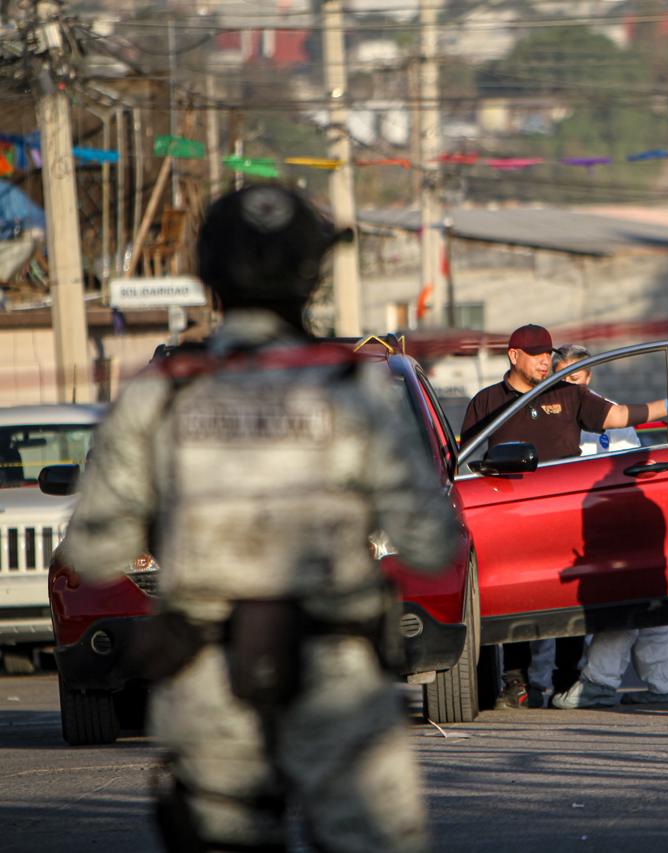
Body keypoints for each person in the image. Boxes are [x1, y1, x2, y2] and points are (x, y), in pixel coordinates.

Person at [59, 185, 465, 853]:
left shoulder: (162, 392)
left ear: (209, 276)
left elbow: (96, 552)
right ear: (311, 277)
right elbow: (429, 540)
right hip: (338, 672)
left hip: (208, 681)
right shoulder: (354, 388)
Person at [461, 326, 668, 708]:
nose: (546, 360)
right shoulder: (486, 402)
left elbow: (619, 415)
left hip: (564, 509)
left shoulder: (566, 393)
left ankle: (566, 677)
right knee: (513, 596)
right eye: (536, 354)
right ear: (514, 356)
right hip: (510, 513)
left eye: (548, 353)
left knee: (572, 597)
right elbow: (468, 463)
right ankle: (515, 682)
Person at [548, 345, 668, 709]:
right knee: (653, 622)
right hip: (654, 537)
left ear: (589, 377)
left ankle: (598, 683)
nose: (569, 386)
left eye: (576, 378)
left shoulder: (610, 415)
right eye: (561, 377)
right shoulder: (554, 421)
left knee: (625, 614)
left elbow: (623, 479)